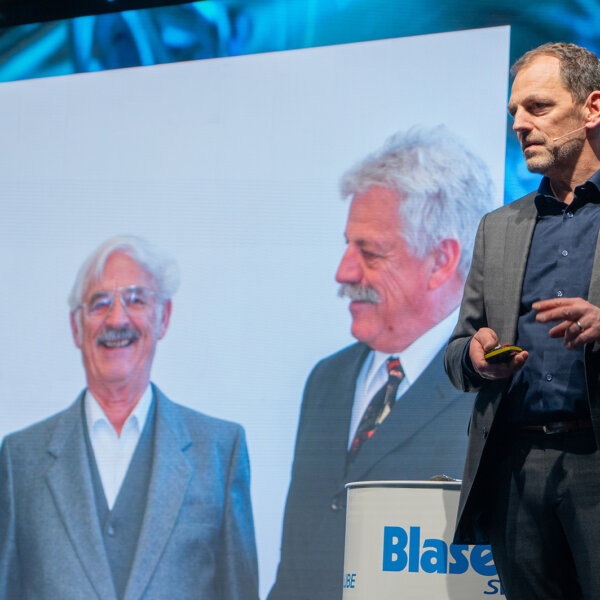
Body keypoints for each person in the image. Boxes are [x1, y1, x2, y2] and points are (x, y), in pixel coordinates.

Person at [268, 126, 496, 600]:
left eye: (369, 252)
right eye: (348, 245)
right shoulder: (327, 381)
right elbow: (296, 568)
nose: (343, 271)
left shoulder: (496, 388)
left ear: (441, 261)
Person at [0, 235, 259, 600]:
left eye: (136, 300)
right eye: (99, 303)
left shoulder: (219, 452)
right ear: (76, 327)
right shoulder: (20, 460)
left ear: (163, 317)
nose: (117, 318)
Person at [445, 42, 600, 599]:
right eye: (514, 111)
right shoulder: (498, 227)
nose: (519, 124)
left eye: (537, 107)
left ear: (592, 108)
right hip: (516, 467)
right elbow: (457, 349)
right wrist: (475, 358)